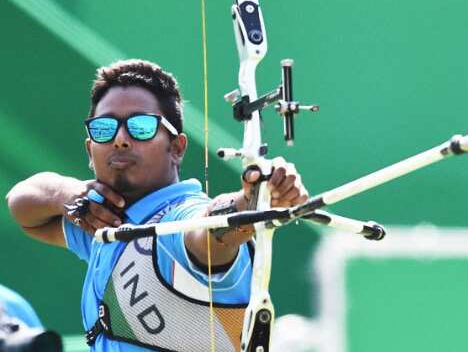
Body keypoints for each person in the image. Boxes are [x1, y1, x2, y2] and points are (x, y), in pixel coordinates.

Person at [5, 59, 309, 351]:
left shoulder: (178, 219)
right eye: (104, 128)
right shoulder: (104, 221)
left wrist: (252, 201)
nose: (120, 139)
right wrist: (67, 194)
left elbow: (208, 230)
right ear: (89, 149)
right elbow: (22, 206)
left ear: (176, 148)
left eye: (141, 126)